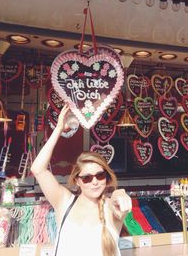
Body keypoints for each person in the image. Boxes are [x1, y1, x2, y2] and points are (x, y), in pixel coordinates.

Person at [31, 104, 132, 256]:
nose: (95, 182)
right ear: (77, 181)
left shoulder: (111, 209)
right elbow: (38, 169)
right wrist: (58, 129)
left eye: (100, 175)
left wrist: (120, 193)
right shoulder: (64, 202)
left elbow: (119, 203)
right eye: (87, 178)